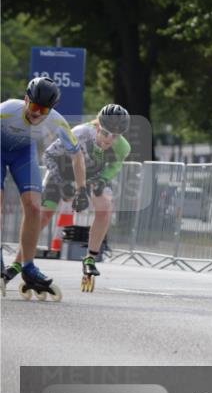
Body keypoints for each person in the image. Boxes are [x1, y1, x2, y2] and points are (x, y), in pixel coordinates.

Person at [10, 104, 131, 288]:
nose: (109, 140)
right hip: (62, 171)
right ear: (98, 126)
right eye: (106, 133)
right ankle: (18, 263)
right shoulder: (80, 133)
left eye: (115, 136)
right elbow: (49, 155)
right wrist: (62, 183)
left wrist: (104, 179)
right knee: (43, 215)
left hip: (91, 174)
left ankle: (90, 258)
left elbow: (115, 166)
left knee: (106, 206)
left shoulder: (123, 147)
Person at [0, 77, 86, 297]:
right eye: (34, 106)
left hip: (23, 154)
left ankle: (28, 267)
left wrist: (81, 188)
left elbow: (77, 156)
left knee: (34, 207)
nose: (37, 113)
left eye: (44, 109)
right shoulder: (8, 109)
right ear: (26, 99)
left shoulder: (56, 122)